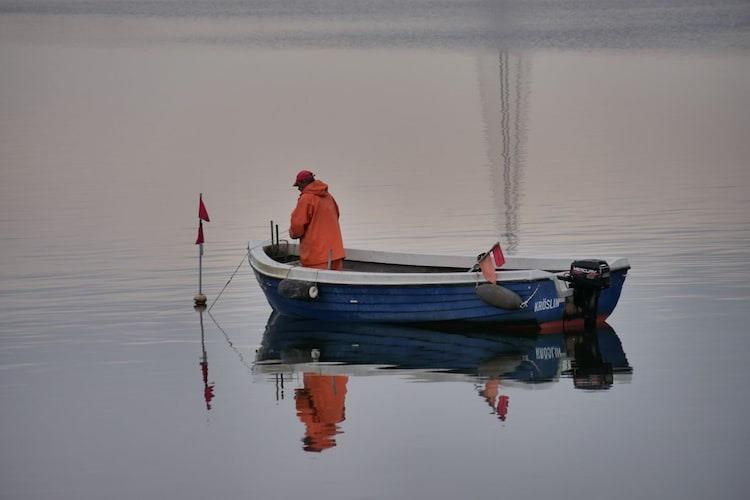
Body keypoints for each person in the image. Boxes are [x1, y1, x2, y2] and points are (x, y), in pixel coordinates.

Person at [289, 170, 345, 270]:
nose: (298, 188)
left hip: (316, 257)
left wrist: (292, 233)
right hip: (336, 253)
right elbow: (336, 215)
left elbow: (297, 226)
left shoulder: (306, 198)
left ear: (304, 182)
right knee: (334, 278)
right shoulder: (328, 196)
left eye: (298, 185)